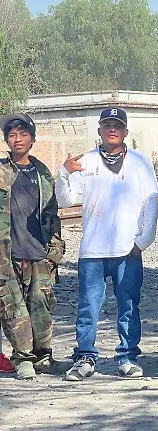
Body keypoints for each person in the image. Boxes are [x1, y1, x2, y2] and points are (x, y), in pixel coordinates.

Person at [56, 107, 158, 381]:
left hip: (128, 250)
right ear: (100, 130)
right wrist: (64, 174)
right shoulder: (87, 161)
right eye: (107, 125)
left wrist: (143, 241)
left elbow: (151, 201)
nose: (112, 130)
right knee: (88, 307)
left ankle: (127, 357)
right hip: (93, 250)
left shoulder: (139, 161)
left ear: (126, 131)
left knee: (128, 306)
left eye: (117, 125)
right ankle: (85, 358)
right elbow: (66, 201)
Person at [0, 114, 67, 379]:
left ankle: (43, 357)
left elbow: (52, 214)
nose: (18, 140)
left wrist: (55, 252)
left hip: (39, 253)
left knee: (42, 307)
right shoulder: (1, 171)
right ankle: (23, 360)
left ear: (32, 139)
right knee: (13, 309)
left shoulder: (42, 173)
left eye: (23, 134)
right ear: (6, 140)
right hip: (8, 255)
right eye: (12, 135)